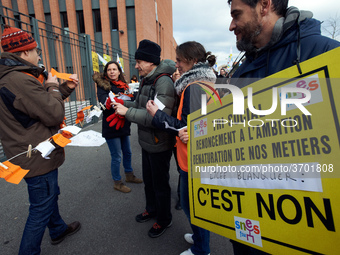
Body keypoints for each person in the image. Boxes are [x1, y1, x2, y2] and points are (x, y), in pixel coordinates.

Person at [227, 0, 340, 254]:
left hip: (308, 228)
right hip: (249, 224)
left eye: (236, 14)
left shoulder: (326, 54)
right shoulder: (241, 71)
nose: (231, 25)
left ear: (264, 5)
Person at [0, 25, 81, 255]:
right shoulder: (18, 79)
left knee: (48, 195)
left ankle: (57, 229)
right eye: (36, 50)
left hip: (28, 150)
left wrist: (62, 88)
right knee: (40, 209)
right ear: (24, 53)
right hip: (36, 155)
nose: (39, 55)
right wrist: (54, 86)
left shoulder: (12, 77)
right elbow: (53, 113)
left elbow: (37, 108)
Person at [146, 41, 216, 255]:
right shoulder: (205, 84)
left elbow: (186, 127)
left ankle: (201, 249)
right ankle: (198, 238)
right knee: (194, 206)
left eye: (179, 60)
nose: (176, 64)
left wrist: (157, 115)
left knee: (191, 207)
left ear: (192, 61)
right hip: (200, 157)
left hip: (193, 160)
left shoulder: (193, 88)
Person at [113, 39, 176, 238]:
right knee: (149, 182)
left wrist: (126, 112)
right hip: (147, 142)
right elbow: (141, 105)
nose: (136, 65)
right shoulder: (147, 78)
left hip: (159, 143)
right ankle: (152, 209)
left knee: (160, 184)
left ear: (151, 62)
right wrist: (124, 102)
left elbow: (155, 117)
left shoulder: (163, 82)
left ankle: (164, 219)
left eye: (139, 61)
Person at [93, 61, 142, 193]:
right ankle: (117, 182)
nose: (112, 72)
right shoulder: (103, 86)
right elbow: (104, 103)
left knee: (127, 152)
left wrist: (124, 100)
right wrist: (113, 102)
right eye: (109, 70)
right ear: (106, 72)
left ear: (119, 71)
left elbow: (131, 100)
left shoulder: (124, 85)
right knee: (117, 156)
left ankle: (129, 175)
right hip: (111, 125)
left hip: (124, 123)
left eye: (114, 69)